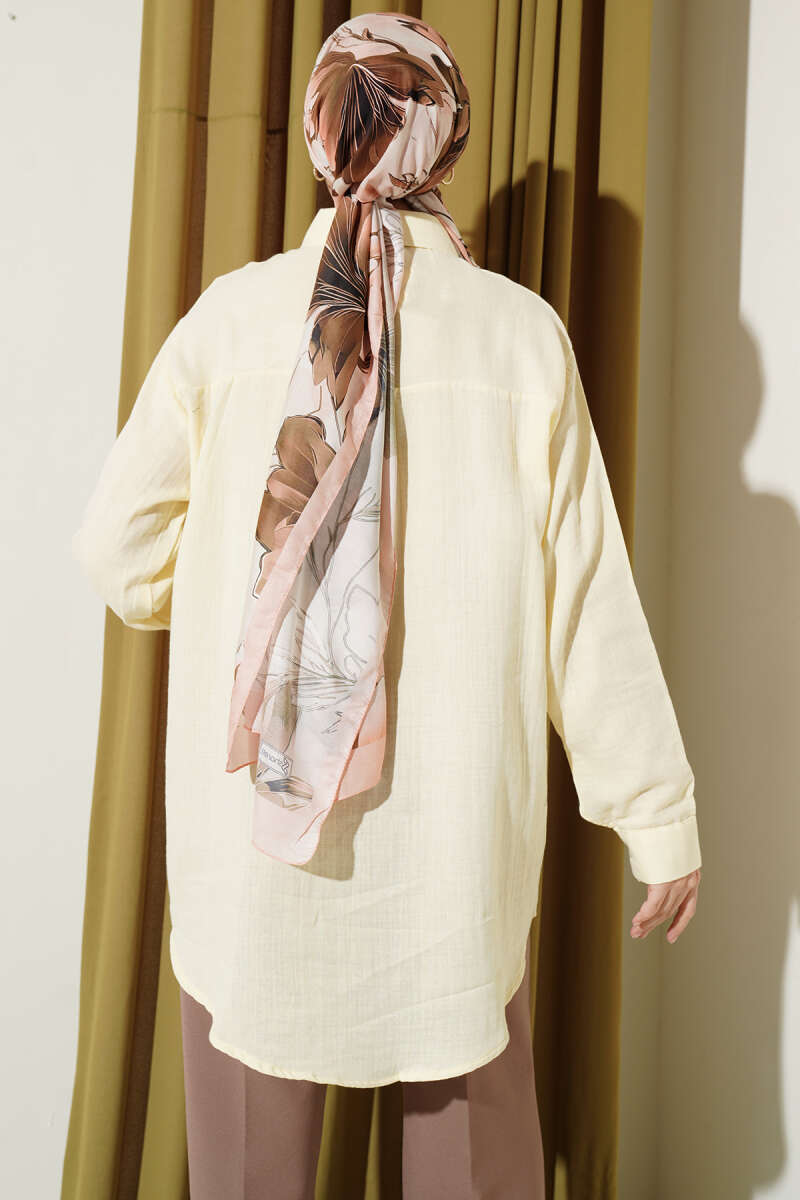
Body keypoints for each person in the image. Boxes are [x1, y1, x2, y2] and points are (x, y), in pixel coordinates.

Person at [72, 12, 702, 1199]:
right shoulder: (521, 339)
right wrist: (655, 817)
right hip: (448, 865)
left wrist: (231, 603)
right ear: (443, 139)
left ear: (322, 134)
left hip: (257, 854)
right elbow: (585, 613)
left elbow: (118, 554)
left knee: (247, 1163)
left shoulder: (227, 321)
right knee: (472, 1151)